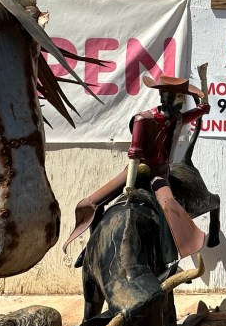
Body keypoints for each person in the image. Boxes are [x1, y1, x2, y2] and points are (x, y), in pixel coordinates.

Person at [64, 73, 210, 255]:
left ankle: (167, 257)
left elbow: (204, 107)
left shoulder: (177, 119)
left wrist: (203, 79)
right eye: (180, 97)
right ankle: (92, 247)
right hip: (138, 171)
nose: (182, 102)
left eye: (182, 97)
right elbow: (134, 154)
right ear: (166, 97)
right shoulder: (143, 119)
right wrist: (129, 186)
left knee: (170, 211)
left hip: (161, 174)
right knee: (93, 202)